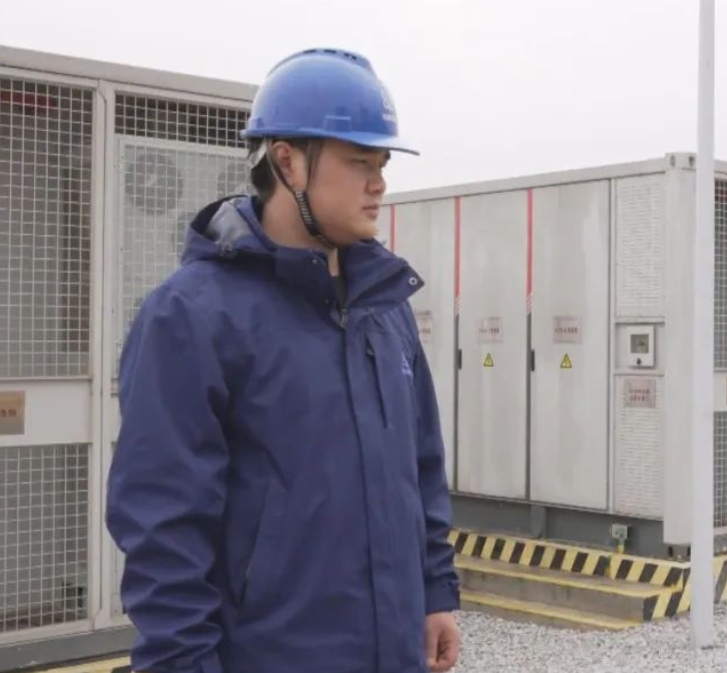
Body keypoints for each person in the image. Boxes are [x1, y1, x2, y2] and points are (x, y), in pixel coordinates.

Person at [105, 47, 461, 673]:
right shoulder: (192, 316)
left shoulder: (384, 307)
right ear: (288, 161)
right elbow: (163, 528)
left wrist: (435, 593)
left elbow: (420, 466)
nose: (379, 183)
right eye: (359, 162)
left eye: (382, 164)